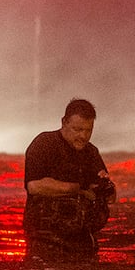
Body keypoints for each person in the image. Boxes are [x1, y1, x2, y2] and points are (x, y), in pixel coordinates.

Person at [22, 98, 116, 261]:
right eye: (77, 129)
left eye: (88, 130)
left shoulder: (91, 152)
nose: (83, 136)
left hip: (83, 241)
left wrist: (107, 188)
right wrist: (78, 188)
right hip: (45, 241)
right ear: (64, 122)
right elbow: (34, 186)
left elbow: (109, 195)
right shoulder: (44, 144)